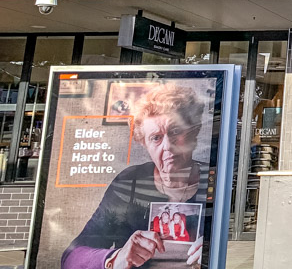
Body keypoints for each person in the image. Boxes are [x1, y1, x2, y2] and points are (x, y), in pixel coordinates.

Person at [62, 83, 208, 269]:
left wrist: (216, 250)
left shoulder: (215, 179)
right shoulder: (130, 182)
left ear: (194, 132)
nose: (167, 146)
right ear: (144, 143)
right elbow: (71, 257)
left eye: (176, 131)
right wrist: (115, 258)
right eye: (156, 138)